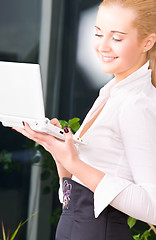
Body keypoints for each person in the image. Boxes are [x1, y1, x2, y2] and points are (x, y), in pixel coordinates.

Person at [14, 0, 156, 239]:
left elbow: (152, 206)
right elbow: (77, 194)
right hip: (74, 227)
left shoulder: (137, 103)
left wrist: (75, 162)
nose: (103, 46)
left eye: (117, 38)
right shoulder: (111, 93)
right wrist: (58, 152)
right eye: (98, 33)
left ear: (147, 42)